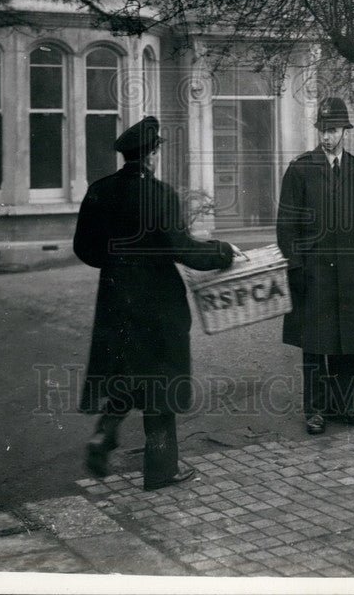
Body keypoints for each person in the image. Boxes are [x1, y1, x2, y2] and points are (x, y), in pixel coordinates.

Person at [74, 115, 236, 490]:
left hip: (115, 299)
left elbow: (84, 248)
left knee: (125, 372)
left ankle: (105, 431)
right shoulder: (161, 194)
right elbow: (183, 250)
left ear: (128, 155)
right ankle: (161, 469)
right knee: (161, 384)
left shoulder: (99, 190)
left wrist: (116, 263)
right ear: (151, 155)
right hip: (158, 302)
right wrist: (223, 252)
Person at [277, 96, 354, 435]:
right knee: (316, 344)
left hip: (347, 272)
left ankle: (347, 406)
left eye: (333, 130)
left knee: (347, 343)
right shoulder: (301, 169)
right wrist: (295, 268)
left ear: (345, 131)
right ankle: (316, 411)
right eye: (322, 130)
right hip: (313, 273)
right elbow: (286, 226)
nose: (326, 137)